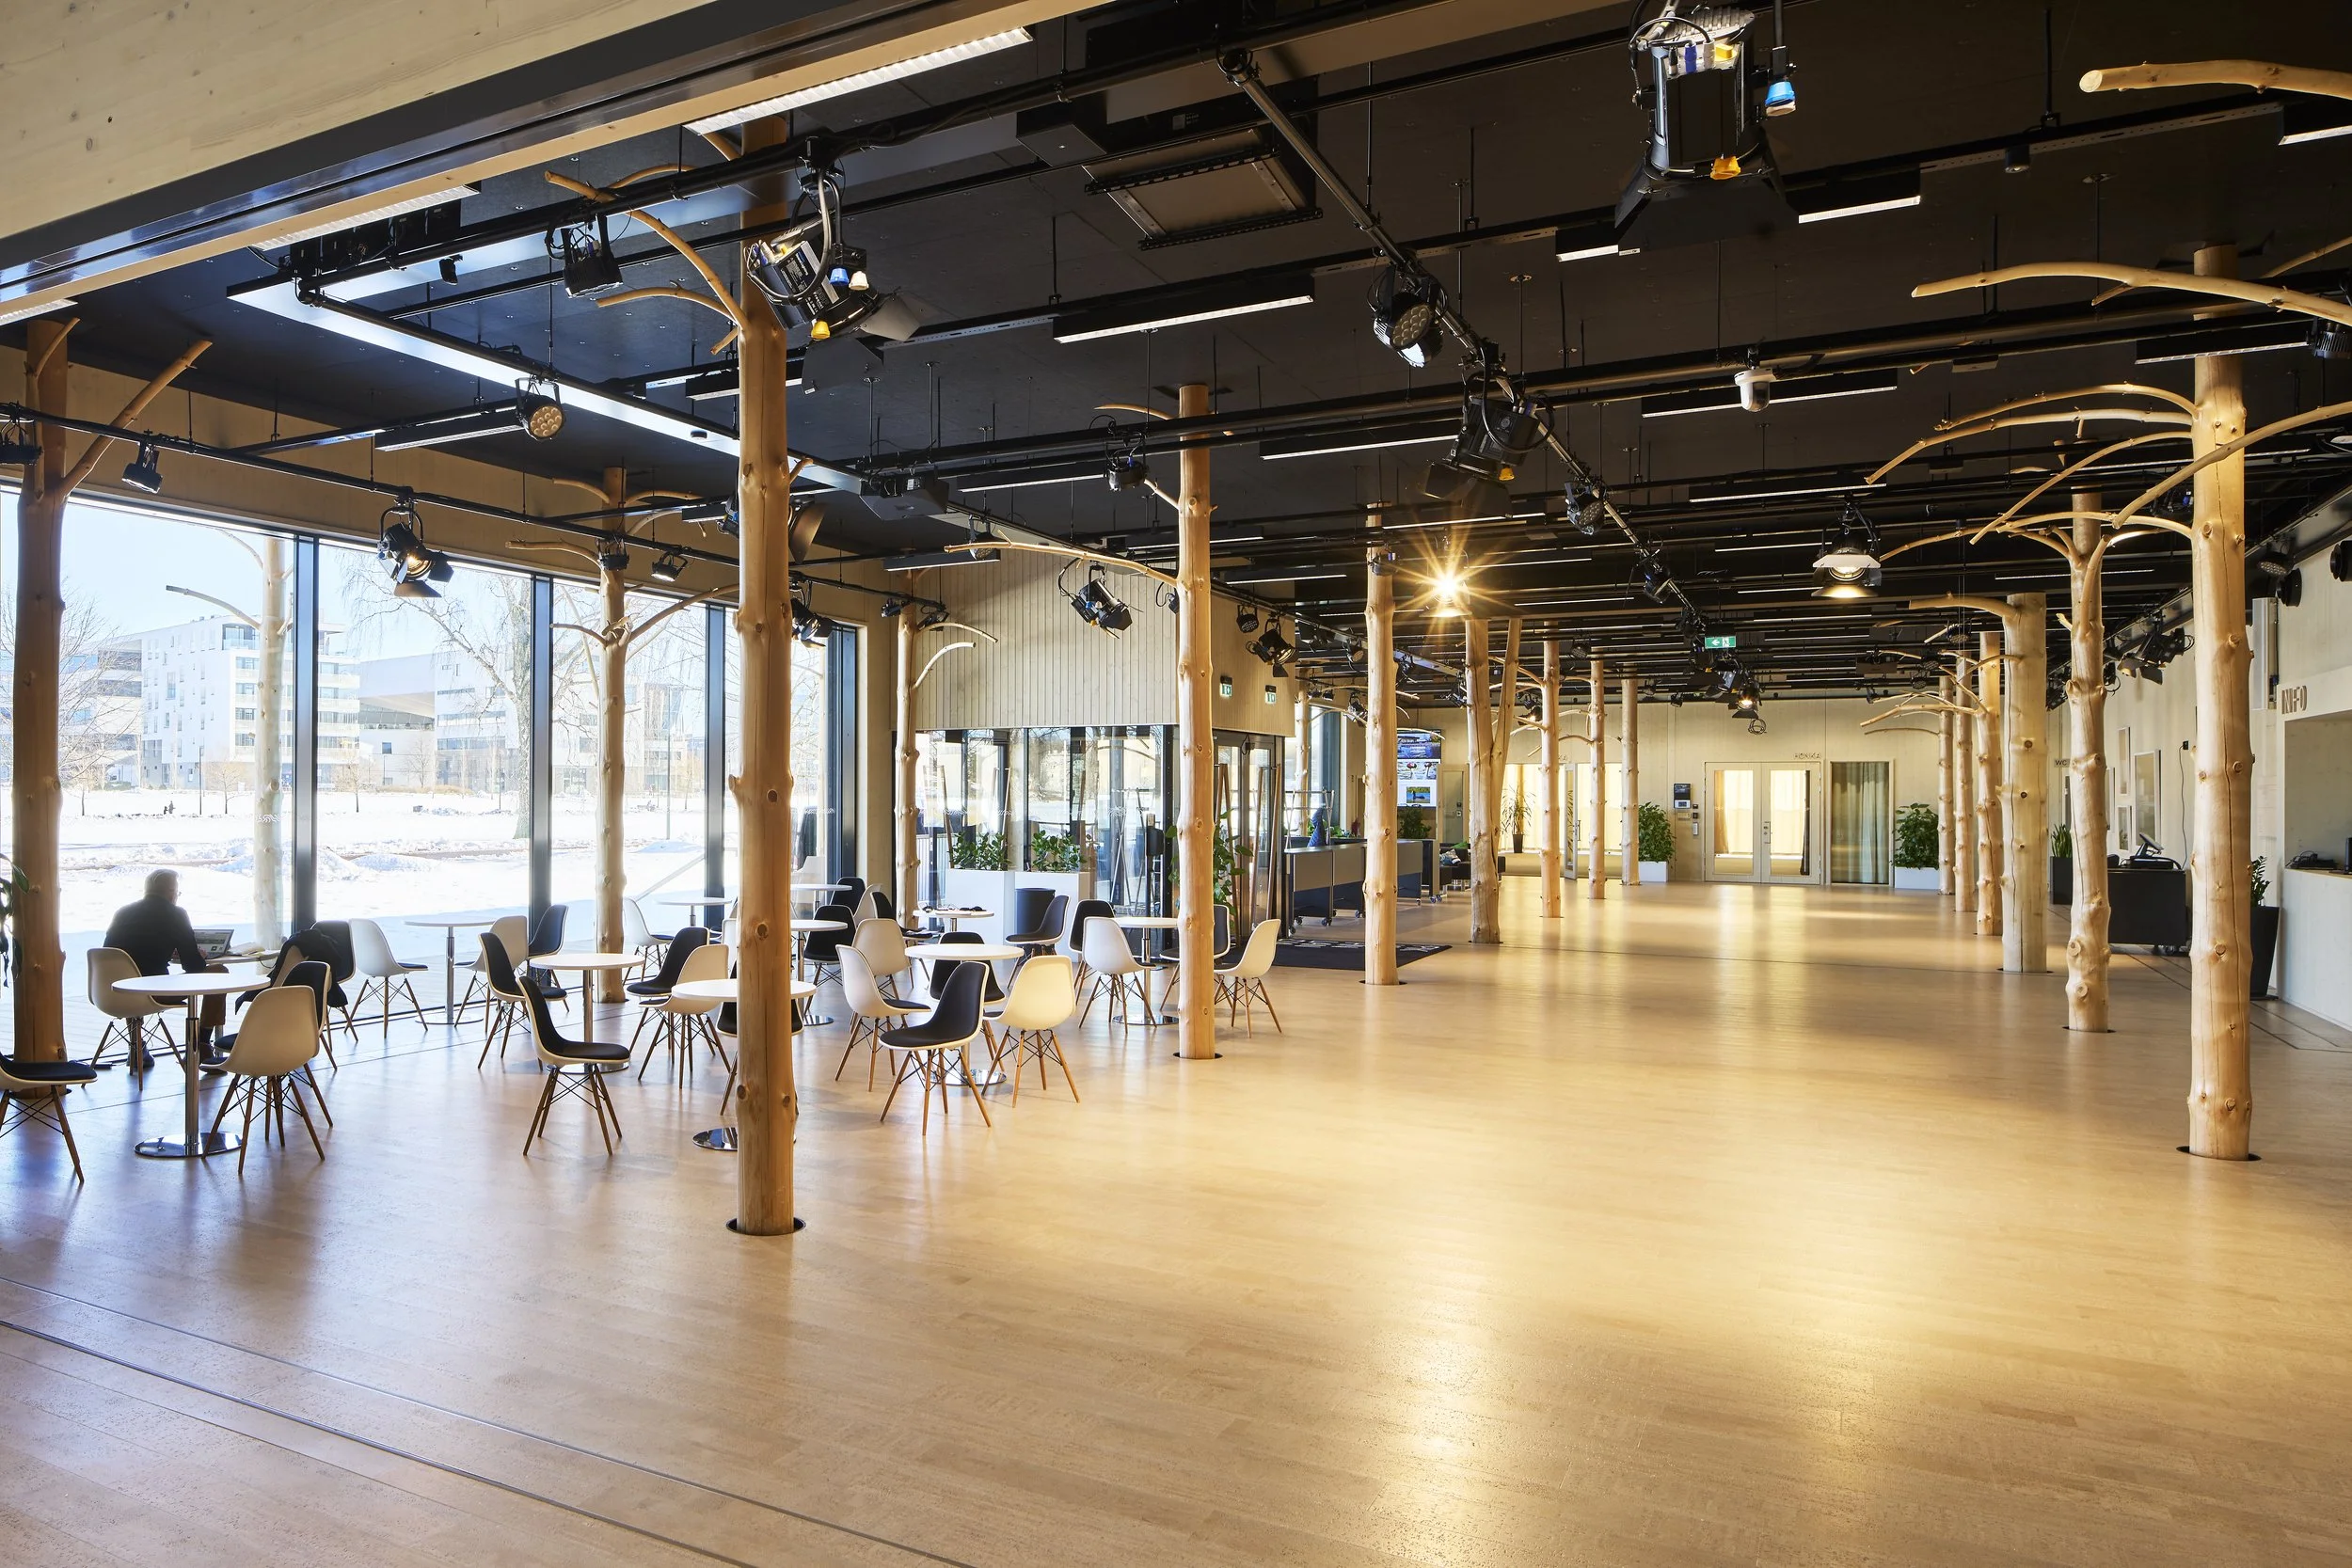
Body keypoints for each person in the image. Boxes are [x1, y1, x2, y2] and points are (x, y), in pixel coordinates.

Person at [103, 870, 225, 1061]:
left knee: (131, 976)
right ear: (171, 891)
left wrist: (168, 949)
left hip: (112, 992)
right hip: (155, 991)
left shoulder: (123, 913)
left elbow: (120, 955)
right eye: (178, 892)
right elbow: (193, 966)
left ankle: (136, 1046)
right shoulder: (176, 914)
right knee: (219, 973)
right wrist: (198, 954)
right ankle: (201, 1044)